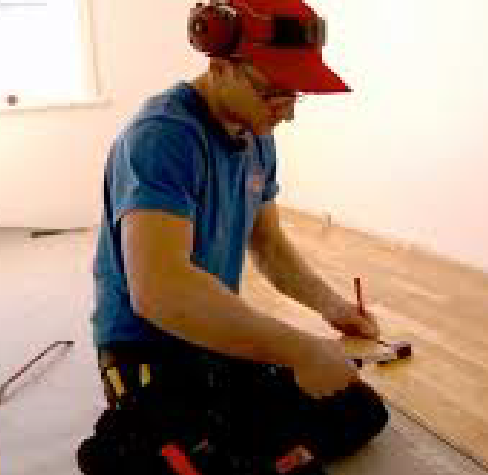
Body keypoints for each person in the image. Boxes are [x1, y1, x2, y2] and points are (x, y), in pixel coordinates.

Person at [79, 1, 389, 473]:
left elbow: (269, 245)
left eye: (294, 96)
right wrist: (298, 349)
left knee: (359, 412)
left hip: (212, 334)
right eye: (275, 95)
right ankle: (132, 442)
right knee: (247, 457)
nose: (287, 114)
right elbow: (160, 292)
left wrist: (334, 308)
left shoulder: (257, 131)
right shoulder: (162, 137)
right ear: (221, 67)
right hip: (148, 349)